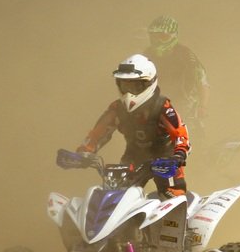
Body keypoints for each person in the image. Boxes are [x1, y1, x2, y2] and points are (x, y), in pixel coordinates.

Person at [76, 54, 190, 198]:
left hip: (166, 160)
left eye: (135, 85)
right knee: (116, 196)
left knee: (173, 196)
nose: (129, 91)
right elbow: (97, 134)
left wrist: (179, 154)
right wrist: (85, 151)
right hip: (133, 157)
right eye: (125, 85)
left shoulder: (162, 106)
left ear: (149, 83)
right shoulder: (117, 109)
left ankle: (180, 219)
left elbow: (180, 132)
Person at [143, 15, 209, 135]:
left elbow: (202, 81)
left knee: (188, 134)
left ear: (173, 36)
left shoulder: (186, 55)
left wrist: (202, 106)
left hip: (185, 102)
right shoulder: (147, 54)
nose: (157, 41)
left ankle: (202, 150)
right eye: (154, 37)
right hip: (155, 102)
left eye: (162, 37)